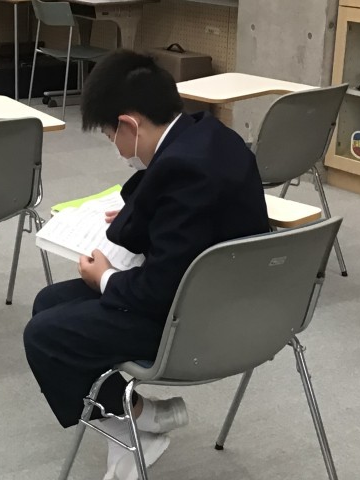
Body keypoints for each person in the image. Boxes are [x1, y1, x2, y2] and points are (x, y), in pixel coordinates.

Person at [23, 50, 269, 479]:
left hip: (198, 324)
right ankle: (136, 417)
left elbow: (157, 291)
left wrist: (105, 278)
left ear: (129, 125)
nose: (116, 149)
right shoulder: (213, 135)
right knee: (49, 302)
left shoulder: (180, 169)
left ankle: (136, 419)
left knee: (45, 336)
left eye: (110, 136)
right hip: (246, 301)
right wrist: (145, 214)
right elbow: (187, 215)